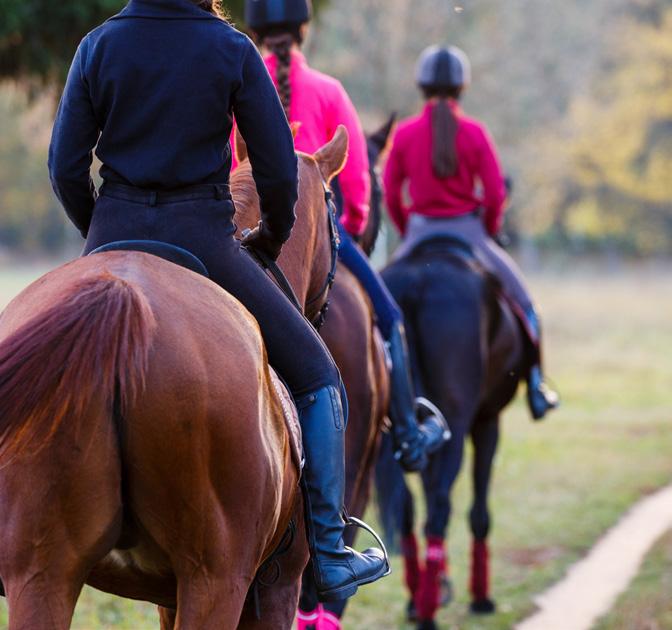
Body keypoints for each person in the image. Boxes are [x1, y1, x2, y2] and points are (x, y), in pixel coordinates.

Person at [47, 0, 388, 602]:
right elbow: (278, 173)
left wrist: (99, 234)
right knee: (319, 377)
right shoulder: (230, 49)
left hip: (111, 233)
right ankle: (330, 553)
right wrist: (270, 239)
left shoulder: (97, 45)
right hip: (203, 239)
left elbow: (64, 167)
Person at [243, 0, 449, 473]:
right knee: (389, 319)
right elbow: (356, 180)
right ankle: (409, 433)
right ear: (304, 29)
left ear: (256, 32)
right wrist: (350, 227)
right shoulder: (329, 90)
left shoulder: (239, 82)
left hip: (247, 232)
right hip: (321, 228)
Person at [384, 45, 559, 420]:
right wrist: (488, 231)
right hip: (471, 232)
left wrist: (407, 229)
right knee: (526, 305)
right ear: (462, 87)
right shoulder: (475, 133)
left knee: (376, 302)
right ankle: (537, 385)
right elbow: (495, 195)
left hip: (418, 232)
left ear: (421, 86)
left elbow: (391, 192)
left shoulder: (405, 134)